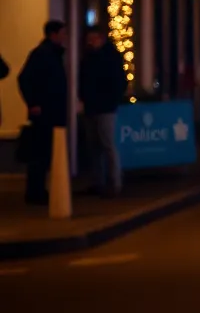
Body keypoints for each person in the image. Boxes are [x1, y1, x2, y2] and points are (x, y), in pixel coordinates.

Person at [17, 21, 69, 206]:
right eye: (62, 33)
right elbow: (24, 79)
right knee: (40, 153)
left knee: (45, 153)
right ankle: (35, 192)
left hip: (50, 110)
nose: (65, 37)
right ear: (52, 35)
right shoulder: (43, 54)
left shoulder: (52, 54)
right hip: (45, 112)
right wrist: (34, 103)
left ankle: (39, 190)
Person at [79, 27, 126, 196]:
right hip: (92, 107)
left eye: (93, 38)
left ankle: (115, 183)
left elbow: (119, 81)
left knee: (107, 144)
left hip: (106, 107)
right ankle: (99, 182)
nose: (90, 42)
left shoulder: (110, 57)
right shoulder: (88, 58)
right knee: (95, 147)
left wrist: (112, 99)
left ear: (101, 38)